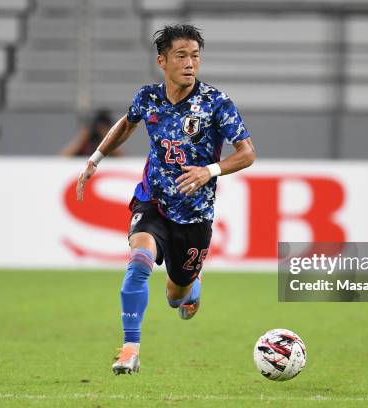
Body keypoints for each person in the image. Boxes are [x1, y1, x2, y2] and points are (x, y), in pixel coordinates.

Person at [76, 24, 256, 375]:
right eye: (182, 56)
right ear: (162, 61)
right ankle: (130, 348)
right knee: (139, 262)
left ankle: (191, 287)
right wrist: (95, 159)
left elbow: (248, 154)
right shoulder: (148, 98)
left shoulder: (216, 103)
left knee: (176, 297)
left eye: (195, 56)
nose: (190, 63)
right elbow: (127, 124)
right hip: (152, 202)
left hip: (194, 216)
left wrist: (210, 171)